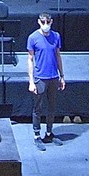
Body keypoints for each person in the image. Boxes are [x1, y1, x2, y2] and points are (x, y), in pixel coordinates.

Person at [26, 12, 66, 141]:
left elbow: (58, 56)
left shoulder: (56, 36)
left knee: (52, 106)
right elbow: (30, 59)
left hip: (53, 77)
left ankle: (49, 132)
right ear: (39, 22)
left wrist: (62, 76)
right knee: (38, 107)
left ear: (51, 22)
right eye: (43, 22)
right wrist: (31, 81)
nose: (45, 25)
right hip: (40, 77)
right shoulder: (33, 37)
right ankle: (37, 134)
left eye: (47, 22)